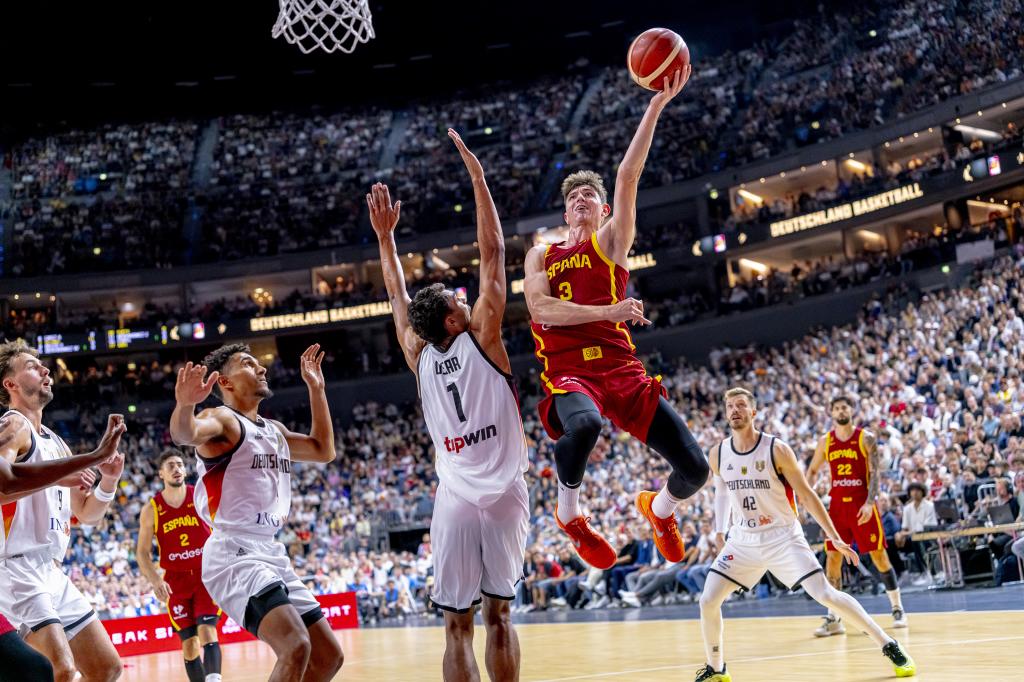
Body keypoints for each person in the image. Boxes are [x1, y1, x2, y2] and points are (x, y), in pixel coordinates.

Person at [523, 67, 709, 569]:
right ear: (564, 214)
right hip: (569, 371)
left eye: (589, 196)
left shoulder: (611, 242)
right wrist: (609, 310)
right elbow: (541, 310)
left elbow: (628, 175)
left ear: (605, 210)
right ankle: (570, 514)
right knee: (582, 427)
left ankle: (661, 509)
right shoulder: (541, 254)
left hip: (620, 368)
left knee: (696, 469)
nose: (580, 200)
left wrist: (655, 106)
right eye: (571, 198)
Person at [367, 129, 528, 681]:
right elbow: (495, 251)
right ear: (456, 321)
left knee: (455, 626)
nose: (467, 298)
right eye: (460, 301)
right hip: (505, 490)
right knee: (500, 617)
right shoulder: (484, 335)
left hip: (455, 496)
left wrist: (386, 241)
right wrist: (479, 179)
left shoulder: (418, 354)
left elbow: (396, 295)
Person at [696, 388, 915, 681]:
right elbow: (722, 491)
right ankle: (717, 667)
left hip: (783, 536)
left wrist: (833, 535)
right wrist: (721, 529)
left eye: (740, 405)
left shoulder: (777, 449)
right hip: (743, 540)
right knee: (708, 600)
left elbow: (808, 495)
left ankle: (889, 644)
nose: (734, 410)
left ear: (753, 412)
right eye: (729, 406)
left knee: (826, 594)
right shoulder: (718, 453)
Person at [170, 343, 343, 682]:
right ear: (226, 382)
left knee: (328, 656)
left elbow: (324, 450)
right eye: (249, 364)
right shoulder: (221, 420)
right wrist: (185, 404)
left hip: (269, 550)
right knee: (295, 644)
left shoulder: (272, 430)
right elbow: (184, 433)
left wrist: (317, 389)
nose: (261, 368)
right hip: (235, 553)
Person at [0, 341, 127, 682]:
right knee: (62, 670)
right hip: (17, 568)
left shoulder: (56, 443)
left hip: (52, 571)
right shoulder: (13, 426)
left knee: (107, 668)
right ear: (10, 384)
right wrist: (83, 462)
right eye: (31, 365)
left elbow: (87, 514)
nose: (45, 370)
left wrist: (109, 482)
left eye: (43, 365)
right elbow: (2, 485)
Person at [805, 396, 907, 636]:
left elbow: (875, 473)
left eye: (845, 407)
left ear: (851, 410)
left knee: (879, 556)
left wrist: (871, 502)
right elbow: (811, 471)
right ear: (831, 413)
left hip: (862, 505)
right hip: (838, 508)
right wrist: (805, 496)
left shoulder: (865, 438)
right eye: (837, 407)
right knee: (832, 559)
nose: (841, 411)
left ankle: (897, 607)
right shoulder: (825, 442)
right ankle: (834, 617)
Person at [136, 448, 222, 682]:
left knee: (207, 630)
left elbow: (223, 528)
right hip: (175, 580)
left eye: (180, 465)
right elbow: (142, 553)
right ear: (161, 474)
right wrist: (155, 581)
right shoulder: (151, 509)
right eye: (171, 466)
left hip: (206, 575)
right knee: (190, 644)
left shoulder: (200, 497)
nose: (177, 469)